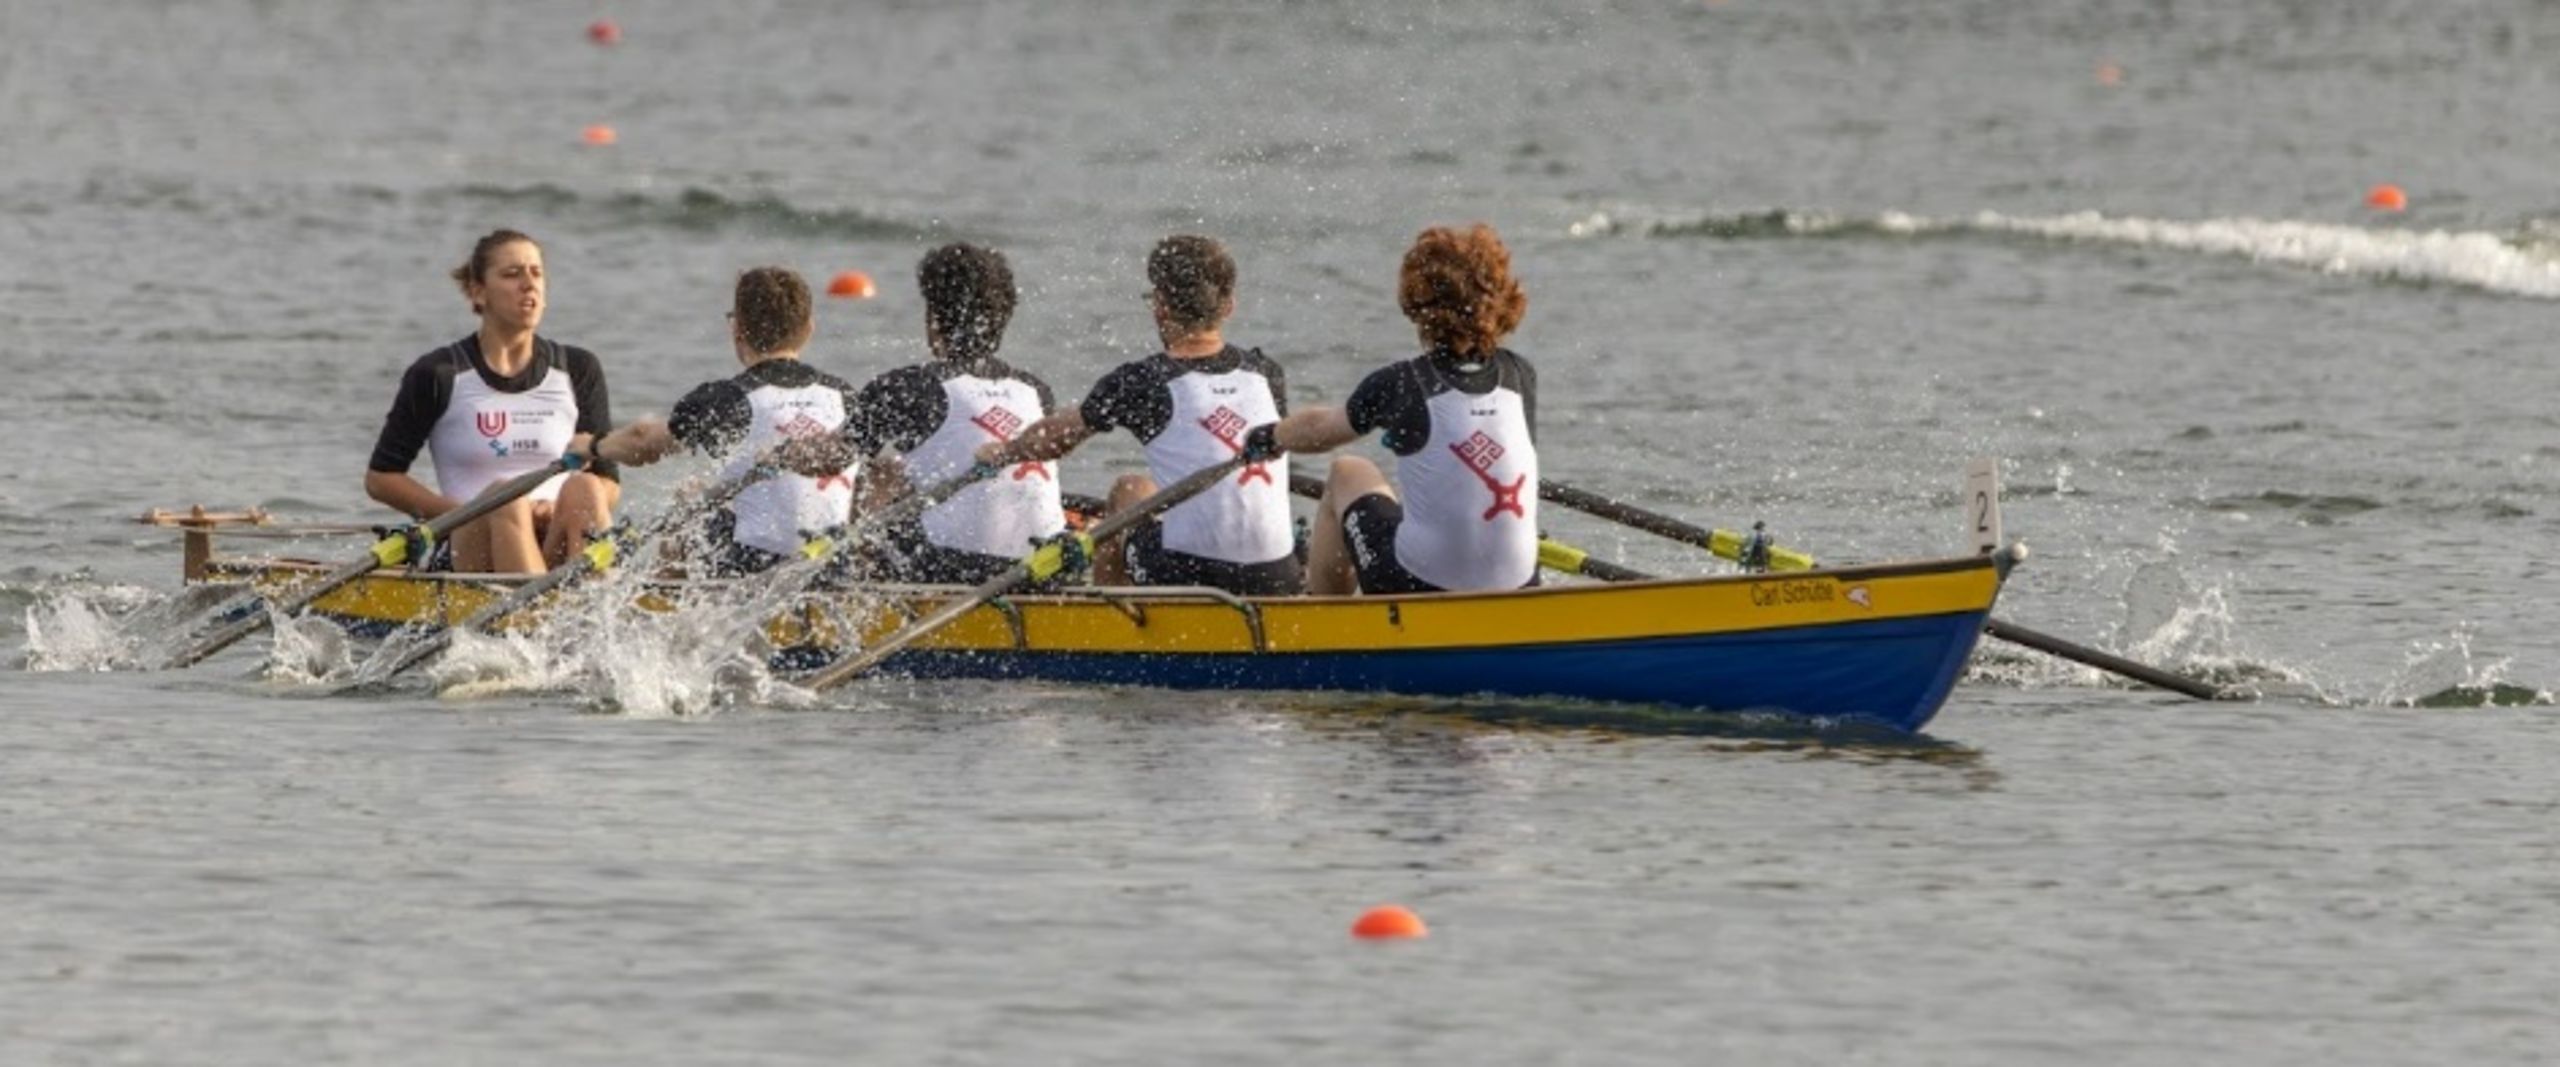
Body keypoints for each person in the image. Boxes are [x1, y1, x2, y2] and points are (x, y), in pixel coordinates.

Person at [978, 235, 1301, 595]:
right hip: (1279, 577)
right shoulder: (1267, 373)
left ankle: (1114, 613)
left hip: (1189, 577)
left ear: (1160, 306)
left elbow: (1054, 440)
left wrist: (1005, 452)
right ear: (1229, 306)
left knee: (1130, 489)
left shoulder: (1144, 380)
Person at [1255, 223, 1538, 595]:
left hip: (1416, 585)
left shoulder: (1401, 382)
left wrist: (1270, 437)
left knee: (1347, 471)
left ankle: (1323, 612)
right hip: (1522, 586)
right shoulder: (1520, 375)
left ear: (1418, 301)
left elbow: (1320, 432)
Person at [576, 267, 862, 575]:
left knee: (689, 496)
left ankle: (667, 596)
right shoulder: (845, 395)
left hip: (753, 564)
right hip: (833, 563)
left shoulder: (729, 397)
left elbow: (645, 443)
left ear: (737, 329)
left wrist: (592, 445)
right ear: (809, 329)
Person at [364, 229, 619, 573]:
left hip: (552, 535)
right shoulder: (438, 373)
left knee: (586, 487)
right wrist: (461, 514)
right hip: (469, 541)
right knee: (505, 497)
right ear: (477, 292)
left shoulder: (579, 368)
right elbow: (381, 479)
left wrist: (550, 507)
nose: (529, 285)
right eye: (512, 274)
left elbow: (609, 482)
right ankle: (535, 603)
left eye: (536, 273)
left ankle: (597, 600)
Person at [839, 242, 1065, 584]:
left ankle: (860, 584)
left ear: (933, 319)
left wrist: (783, 454)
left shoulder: (908, 387)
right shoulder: (1038, 391)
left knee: (881, 472)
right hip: (1042, 570)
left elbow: (835, 457)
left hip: (950, 567)